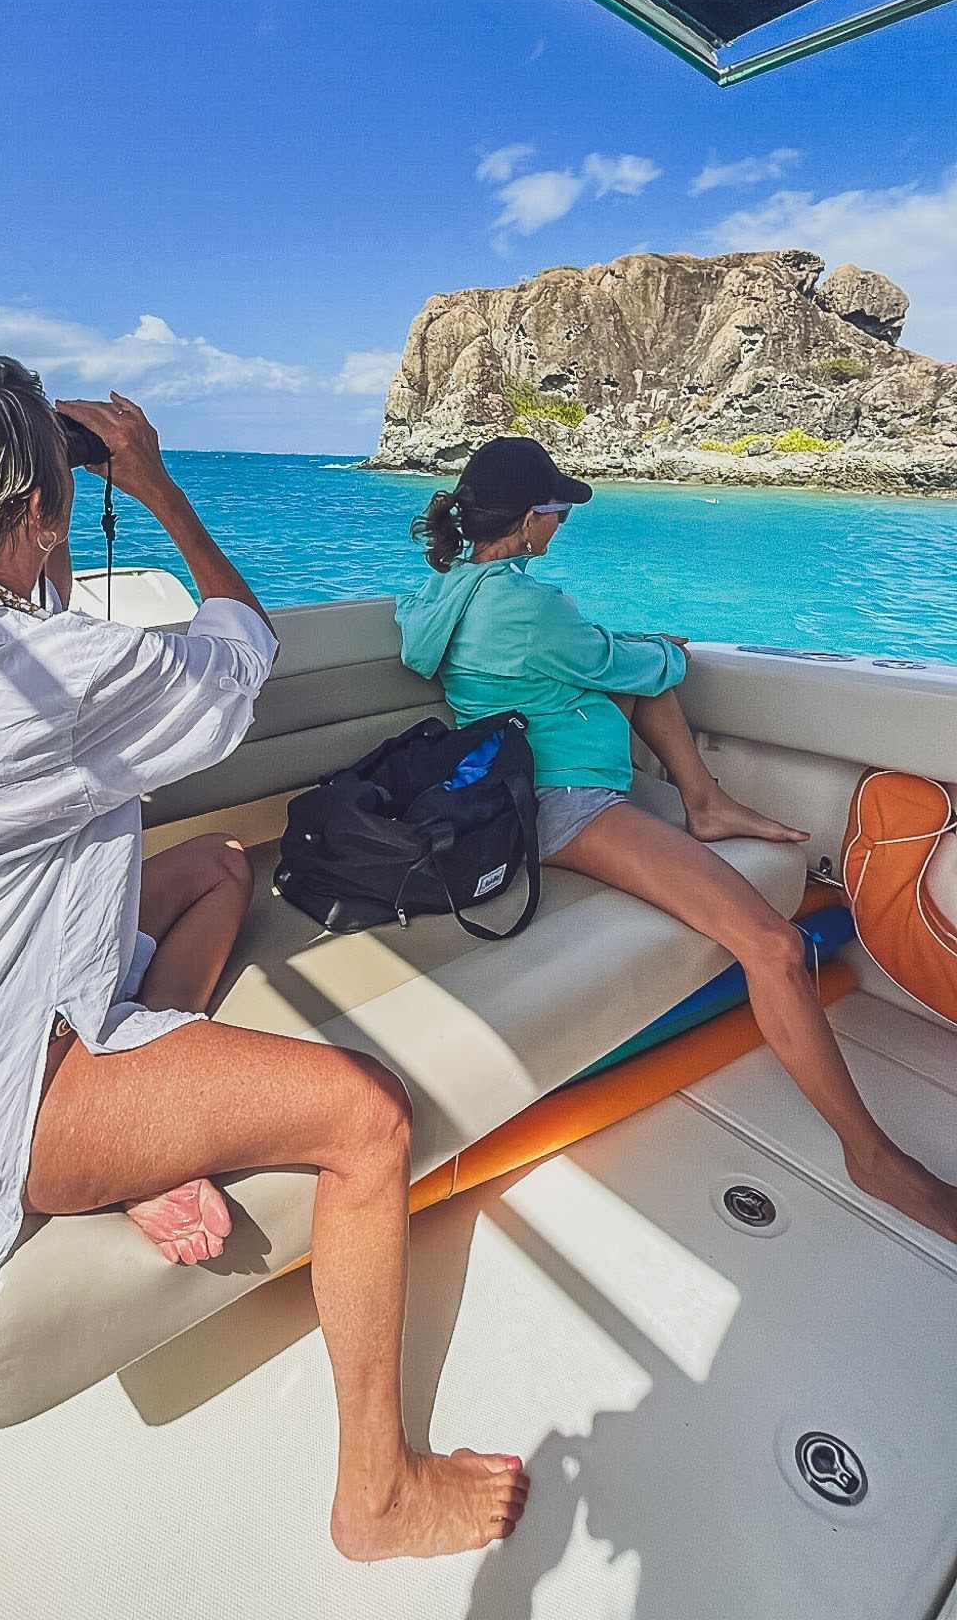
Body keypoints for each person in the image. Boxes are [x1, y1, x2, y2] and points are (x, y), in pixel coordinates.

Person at [0, 347, 528, 1561]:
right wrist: (154, 486)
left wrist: (36, 503)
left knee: (216, 869)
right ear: (36, 509)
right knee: (368, 1119)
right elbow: (241, 648)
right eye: (54, 467)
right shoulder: (61, 676)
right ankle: (378, 1491)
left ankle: (147, 1130)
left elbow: (31, 630)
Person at [396, 435, 957, 1244]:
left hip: (519, 774)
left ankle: (706, 804)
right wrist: (666, 652)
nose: (560, 524)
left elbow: (594, 663)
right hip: (562, 801)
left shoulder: (445, 591)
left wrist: (642, 657)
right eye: (555, 511)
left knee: (643, 670)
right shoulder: (524, 604)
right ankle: (872, 1158)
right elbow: (619, 660)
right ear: (528, 519)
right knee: (769, 944)